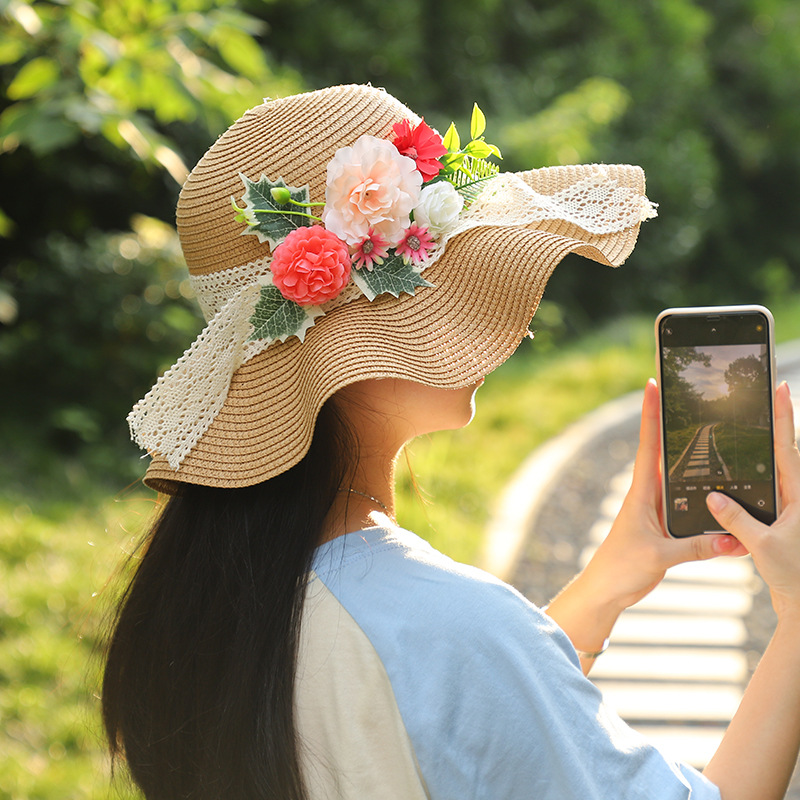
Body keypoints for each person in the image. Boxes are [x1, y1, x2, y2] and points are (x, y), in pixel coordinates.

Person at [103, 84, 800, 800]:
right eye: (438, 282)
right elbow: (456, 685)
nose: (496, 324)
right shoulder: (453, 633)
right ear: (345, 347)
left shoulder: (206, 609)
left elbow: (449, 736)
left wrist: (605, 587)